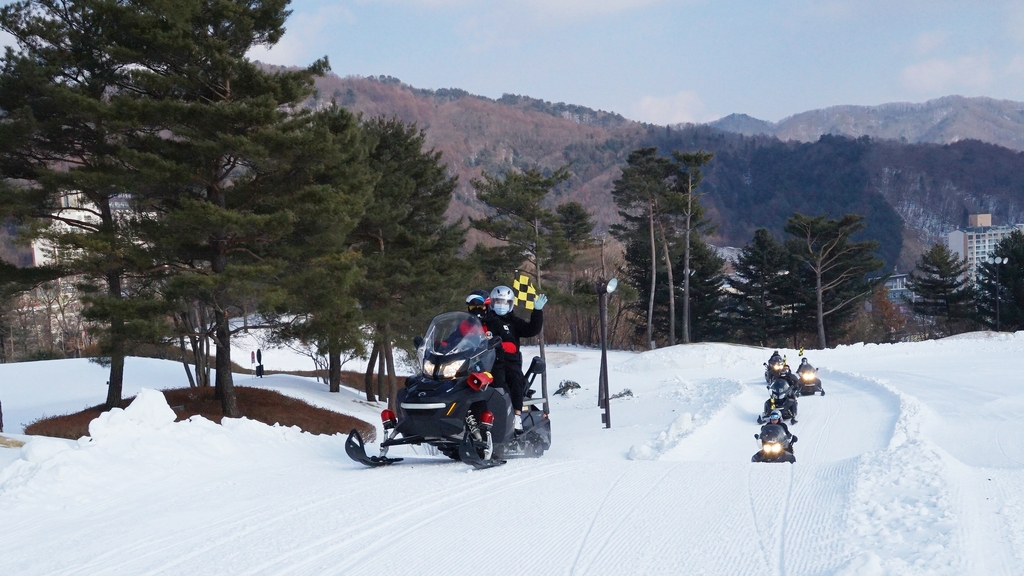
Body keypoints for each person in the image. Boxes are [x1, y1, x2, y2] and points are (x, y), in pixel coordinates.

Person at [482, 285, 546, 432]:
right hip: (487, 363)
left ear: (510, 304)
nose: (501, 305)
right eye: (498, 301)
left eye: (505, 303)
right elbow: (470, 334)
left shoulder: (513, 322)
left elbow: (532, 330)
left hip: (509, 362)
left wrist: (537, 312)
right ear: (492, 302)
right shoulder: (487, 321)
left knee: (514, 380)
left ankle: (516, 417)